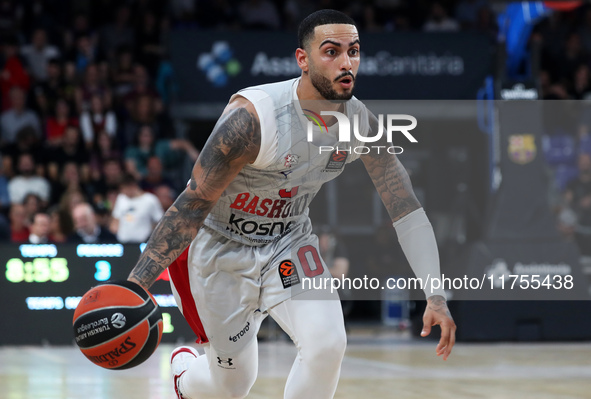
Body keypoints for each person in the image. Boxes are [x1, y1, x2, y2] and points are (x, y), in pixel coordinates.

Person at [125, 10, 455, 399]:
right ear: (303, 59)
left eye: (354, 51)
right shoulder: (253, 119)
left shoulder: (361, 123)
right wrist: (135, 285)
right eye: (331, 51)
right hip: (219, 246)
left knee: (327, 345)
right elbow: (192, 204)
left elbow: (405, 208)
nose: (346, 63)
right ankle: (184, 372)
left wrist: (435, 294)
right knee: (232, 385)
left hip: (288, 242)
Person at [110, 174, 164, 243]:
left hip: (143, 243)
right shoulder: (121, 198)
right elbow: (115, 221)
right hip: (123, 244)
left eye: (124, 188)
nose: (123, 192)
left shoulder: (150, 199)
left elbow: (159, 221)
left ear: (133, 186)